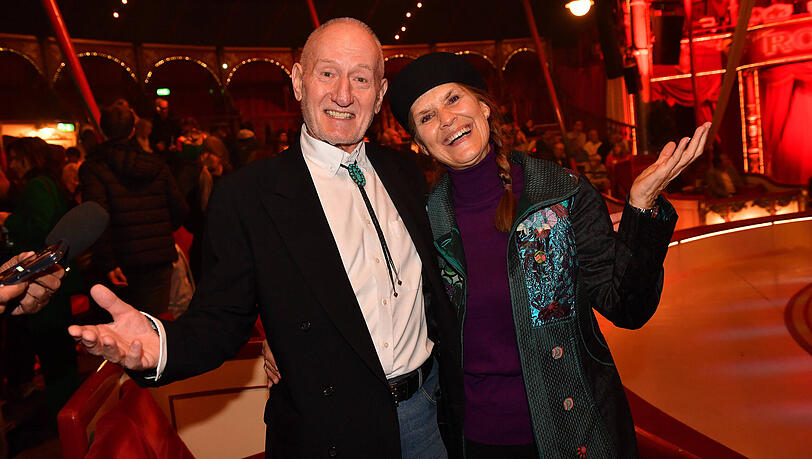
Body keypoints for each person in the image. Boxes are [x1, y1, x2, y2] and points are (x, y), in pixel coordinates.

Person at [69, 18, 462, 459]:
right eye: (327, 73)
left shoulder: (405, 173)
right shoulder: (246, 196)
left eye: (361, 78)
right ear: (298, 81)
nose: (343, 95)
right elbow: (220, 321)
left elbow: (435, 290)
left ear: (380, 92)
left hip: (428, 414)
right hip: (330, 432)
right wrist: (158, 347)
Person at [383, 52, 708, 457]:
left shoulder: (561, 194)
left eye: (453, 99)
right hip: (476, 440)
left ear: (484, 107)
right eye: (427, 117)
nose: (447, 119)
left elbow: (628, 307)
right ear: (419, 143)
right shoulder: (424, 221)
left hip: (573, 432)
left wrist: (641, 207)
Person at [79, 101, 188, 317]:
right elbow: (180, 210)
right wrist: (159, 232)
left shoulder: (93, 168)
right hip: (156, 260)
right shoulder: (156, 164)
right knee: (153, 324)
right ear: (132, 130)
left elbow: (96, 217)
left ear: (103, 131)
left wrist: (107, 262)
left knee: (119, 327)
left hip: (119, 260)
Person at [0, 136, 81, 418]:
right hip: (48, 275)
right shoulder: (46, 182)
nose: (11, 165)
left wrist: (8, 220)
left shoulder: (37, 185)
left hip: (41, 275)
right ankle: (70, 410)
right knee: (58, 349)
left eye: (15, 158)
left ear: (29, 158)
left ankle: (64, 412)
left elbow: (41, 226)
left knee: (53, 349)